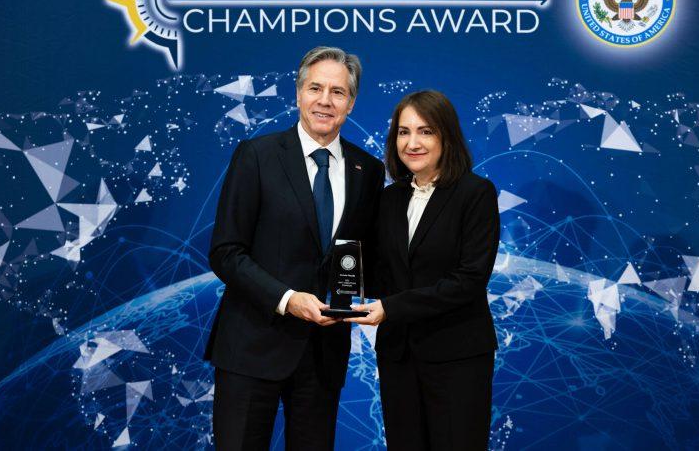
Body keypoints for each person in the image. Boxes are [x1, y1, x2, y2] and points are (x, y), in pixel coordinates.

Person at [205, 46, 385, 450]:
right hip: (251, 347)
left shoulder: (368, 170)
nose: (325, 101)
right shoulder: (257, 155)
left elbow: (365, 257)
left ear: (351, 103)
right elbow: (226, 252)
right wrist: (288, 300)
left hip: (323, 356)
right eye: (315, 88)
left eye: (338, 92)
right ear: (298, 93)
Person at [346, 90, 500, 450]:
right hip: (398, 355)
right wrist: (341, 276)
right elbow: (382, 272)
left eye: (425, 131)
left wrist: (391, 308)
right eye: (403, 132)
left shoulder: (475, 193)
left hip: (457, 356)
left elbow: (469, 280)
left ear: (447, 136)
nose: (412, 143)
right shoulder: (389, 199)